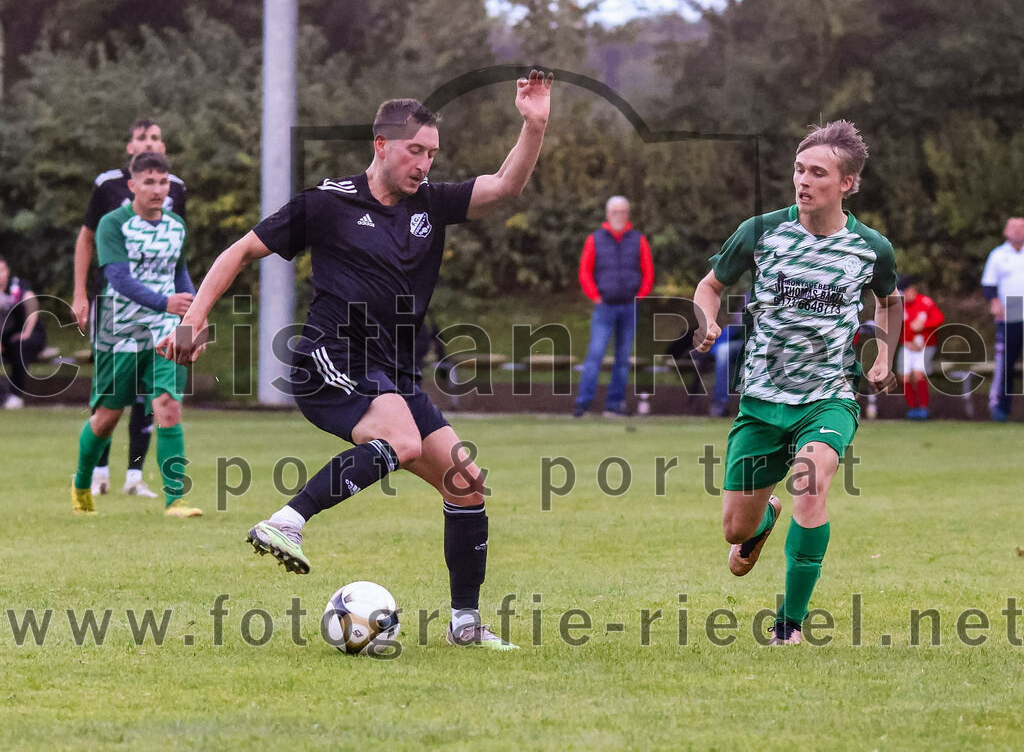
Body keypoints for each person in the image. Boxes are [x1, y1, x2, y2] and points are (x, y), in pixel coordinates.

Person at [159, 71, 554, 650]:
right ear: (381, 145)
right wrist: (193, 320)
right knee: (403, 441)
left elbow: (505, 186)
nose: (424, 163)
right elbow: (240, 250)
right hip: (331, 358)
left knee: (465, 484)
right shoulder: (329, 204)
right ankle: (286, 521)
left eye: (432, 153)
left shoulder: (431, 204)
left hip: (392, 375)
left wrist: (535, 124)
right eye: (415, 151)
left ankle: (466, 625)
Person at [693, 120, 901, 645]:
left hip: (828, 398)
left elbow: (890, 302)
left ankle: (789, 626)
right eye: (799, 170)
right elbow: (711, 285)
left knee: (812, 485)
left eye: (818, 173)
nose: (803, 181)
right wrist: (706, 319)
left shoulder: (870, 248)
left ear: (847, 183)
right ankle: (762, 522)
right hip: (762, 401)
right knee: (734, 533)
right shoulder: (760, 231)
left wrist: (882, 357)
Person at [69, 151, 200, 519]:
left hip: (163, 330)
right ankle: (81, 484)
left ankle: (176, 500)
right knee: (107, 417)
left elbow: (181, 277)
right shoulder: (113, 223)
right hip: (119, 331)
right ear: (133, 185)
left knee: (168, 407)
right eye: (149, 182)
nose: (158, 189)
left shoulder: (176, 225)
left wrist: (192, 316)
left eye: (163, 182)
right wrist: (166, 302)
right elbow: (118, 278)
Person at [574, 196, 654, 417]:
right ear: (608, 214)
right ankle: (583, 404)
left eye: (623, 212)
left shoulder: (638, 240)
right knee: (595, 354)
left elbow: (647, 272)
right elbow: (585, 271)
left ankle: (614, 404)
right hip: (605, 307)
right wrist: (595, 296)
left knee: (622, 359)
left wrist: (641, 295)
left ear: (627, 214)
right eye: (615, 212)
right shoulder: (595, 239)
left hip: (629, 307)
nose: (619, 216)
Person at [981, 217, 1024, 422]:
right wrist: (995, 302)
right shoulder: (998, 255)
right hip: (1011, 310)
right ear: (1006, 231)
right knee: (1005, 364)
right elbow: (989, 286)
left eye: (1021, 228)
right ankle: (1000, 408)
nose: (1018, 232)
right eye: (1014, 228)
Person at [0, 255, 47, 409]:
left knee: (19, 346)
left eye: (1, 270)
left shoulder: (17, 286)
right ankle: (4, 396)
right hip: (7, 337)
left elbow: (32, 305)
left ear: (7, 271)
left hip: (31, 335)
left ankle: (15, 396)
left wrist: (26, 333)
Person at [897, 275, 944, 420]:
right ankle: (912, 408)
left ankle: (924, 408)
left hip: (925, 346)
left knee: (918, 375)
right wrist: (906, 342)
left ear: (912, 289)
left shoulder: (925, 302)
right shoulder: (900, 306)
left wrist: (924, 325)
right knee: (904, 377)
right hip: (908, 346)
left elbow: (939, 318)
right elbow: (896, 329)